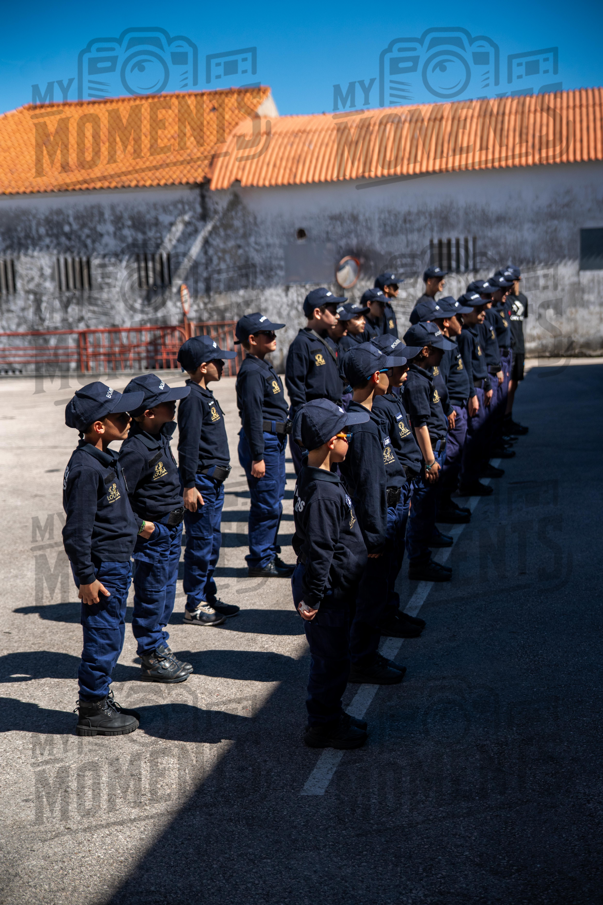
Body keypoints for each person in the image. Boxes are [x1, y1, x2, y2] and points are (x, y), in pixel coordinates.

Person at [63, 381, 146, 736]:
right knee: (103, 636)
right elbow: (77, 531)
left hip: (116, 562)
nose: (129, 418)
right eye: (121, 414)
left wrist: (139, 526)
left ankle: (100, 697)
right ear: (99, 426)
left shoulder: (105, 458)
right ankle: (93, 709)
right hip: (102, 569)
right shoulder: (86, 468)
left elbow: (113, 511)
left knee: (111, 635)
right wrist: (85, 577)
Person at [291, 399, 370, 749]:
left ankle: (331, 714)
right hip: (329, 594)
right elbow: (321, 551)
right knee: (330, 663)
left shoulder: (315, 477)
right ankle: (323, 725)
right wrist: (314, 597)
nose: (350, 439)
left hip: (335, 587)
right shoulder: (322, 493)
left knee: (334, 659)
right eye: (345, 434)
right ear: (330, 442)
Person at [339, 344, 409, 684]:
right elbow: (368, 486)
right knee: (370, 598)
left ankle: (364, 654)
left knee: (371, 597)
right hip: (375, 519)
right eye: (383, 370)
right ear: (375, 377)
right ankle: (361, 661)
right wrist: (377, 535)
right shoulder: (364, 426)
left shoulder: (359, 415)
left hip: (379, 512)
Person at [119, 374, 193, 683]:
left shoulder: (159, 436)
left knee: (164, 594)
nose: (174, 405)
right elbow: (117, 500)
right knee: (151, 595)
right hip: (154, 535)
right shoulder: (135, 451)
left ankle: (159, 646)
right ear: (148, 413)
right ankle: (150, 654)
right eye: (167, 403)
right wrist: (142, 527)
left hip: (171, 532)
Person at [177, 335, 240, 625]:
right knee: (201, 544)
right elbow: (187, 446)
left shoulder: (205, 394)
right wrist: (188, 485)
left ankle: (207, 595)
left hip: (213, 483)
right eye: (217, 361)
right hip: (201, 484)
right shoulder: (191, 399)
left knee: (212, 543)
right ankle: (194, 604)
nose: (223, 364)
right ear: (203, 367)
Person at [371, 334, 427, 635]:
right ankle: (382, 615)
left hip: (403, 489)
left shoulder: (393, 396)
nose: (407, 368)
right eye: (401, 364)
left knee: (394, 562)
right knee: (386, 565)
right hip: (393, 492)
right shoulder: (378, 406)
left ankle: (389, 609)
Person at [235, 312, 295, 578]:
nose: (274, 337)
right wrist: (257, 456)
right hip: (262, 443)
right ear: (252, 339)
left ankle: (268, 553)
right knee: (266, 504)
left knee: (274, 501)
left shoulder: (262, 365)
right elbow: (252, 416)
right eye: (268, 334)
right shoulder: (251, 371)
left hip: (273, 441)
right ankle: (260, 559)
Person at [402, 322, 456, 582]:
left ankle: (422, 552)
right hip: (429, 452)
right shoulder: (415, 381)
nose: (442, 354)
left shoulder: (425, 375)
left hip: (436, 449)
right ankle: (418, 562)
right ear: (424, 351)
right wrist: (430, 461)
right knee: (421, 509)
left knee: (428, 506)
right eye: (437, 350)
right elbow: (419, 424)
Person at [285, 287, 346, 473]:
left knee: (334, 473)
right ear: (317, 312)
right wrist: (307, 424)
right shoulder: (302, 344)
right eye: (333, 310)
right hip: (315, 421)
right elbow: (296, 389)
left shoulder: (329, 341)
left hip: (332, 416)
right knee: (314, 475)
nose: (337, 315)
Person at [424, 297, 474, 524]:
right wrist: (449, 408)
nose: (461, 320)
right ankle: (442, 504)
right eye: (457, 317)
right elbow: (439, 385)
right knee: (448, 458)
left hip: (456, 407)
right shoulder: (438, 348)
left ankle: (446, 502)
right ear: (446, 321)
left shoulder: (448, 342)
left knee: (454, 456)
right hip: (450, 411)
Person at [456, 292, 495, 497]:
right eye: (477, 310)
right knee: (473, 437)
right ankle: (468, 481)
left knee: (480, 435)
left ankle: (473, 476)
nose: (482, 313)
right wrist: (472, 394)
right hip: (474, 391)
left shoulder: (473, 331)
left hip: (481, 387)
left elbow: (480, 363)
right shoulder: (464, 336)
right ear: (465, 312)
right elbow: (467, 368)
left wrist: (487, 383)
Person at [497, 265, 529, 435]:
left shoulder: (523, 299)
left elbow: (521, 322)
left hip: (520, 347)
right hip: (508, 348)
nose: (510, 285)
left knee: (515, 383)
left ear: (518, 280)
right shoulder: (505, 300)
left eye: (513, 281)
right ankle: (503, 419)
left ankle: (508, 416)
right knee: (507, 386)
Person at [374, 271, 404, 336]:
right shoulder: (381, 308)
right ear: (386, 288)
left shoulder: (388, 306)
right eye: (394, 286)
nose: (397, 288)